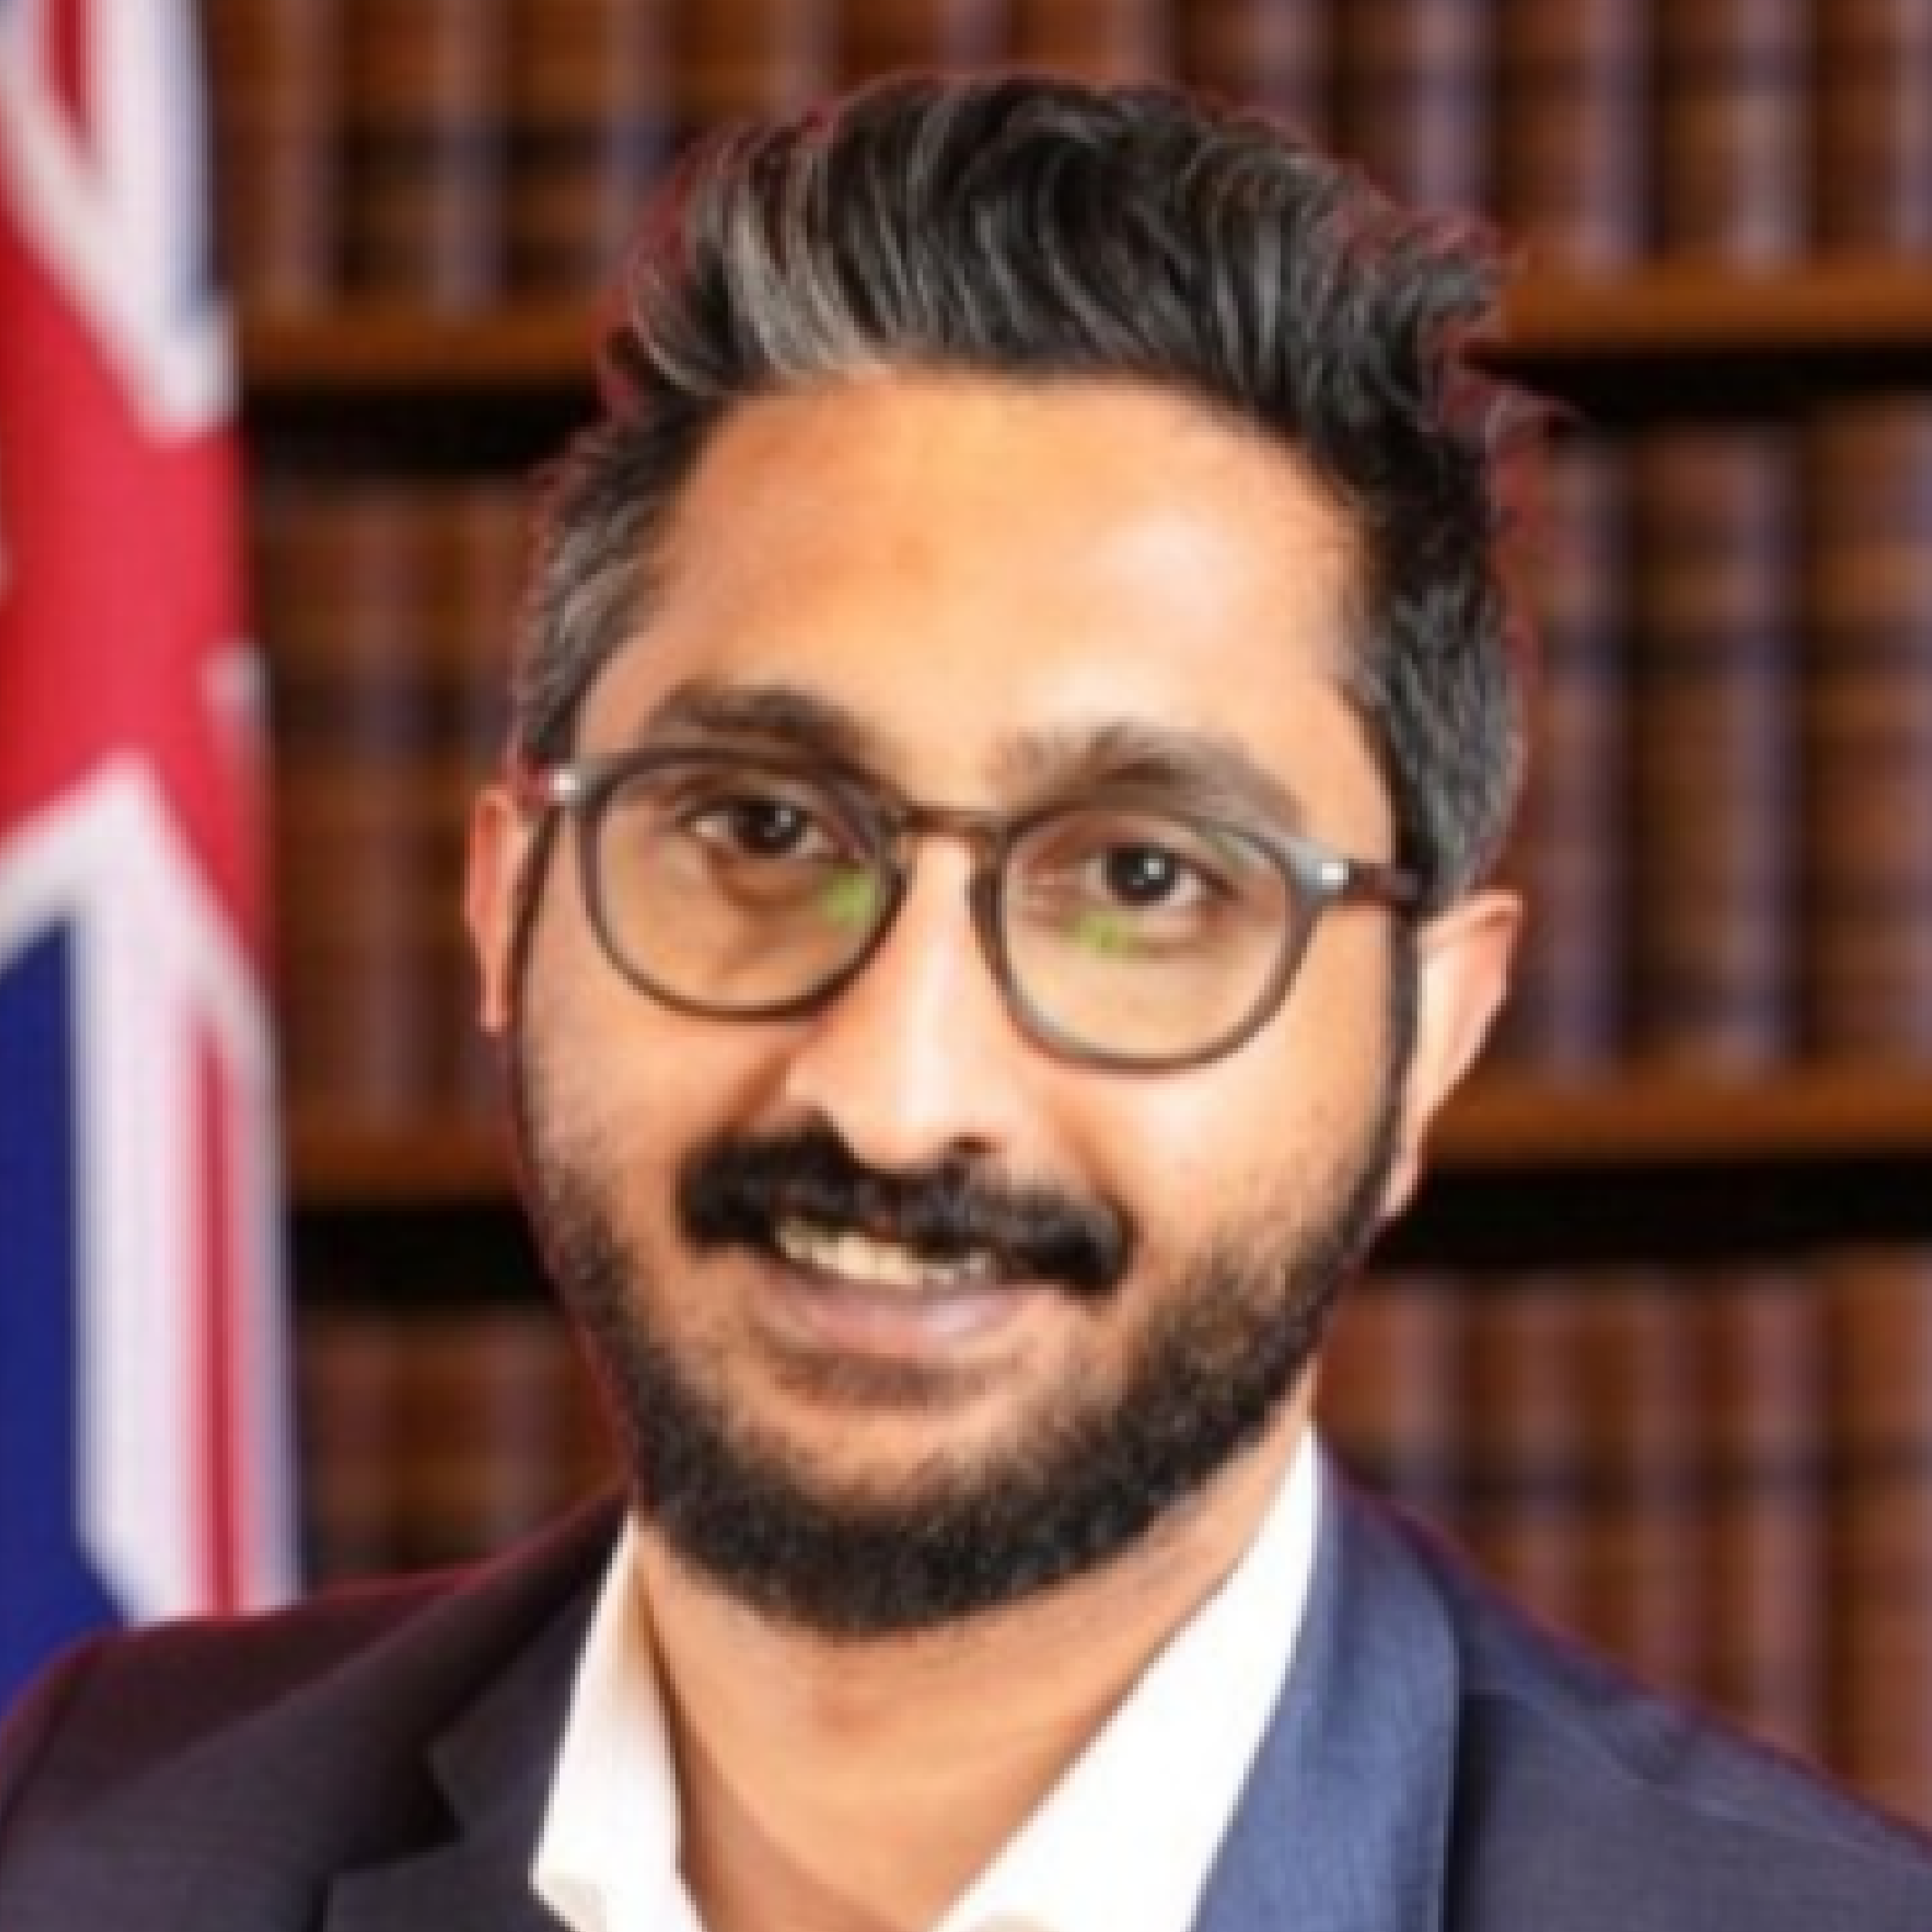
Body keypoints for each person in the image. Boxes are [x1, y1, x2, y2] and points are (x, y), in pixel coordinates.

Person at [2, 70, 1930, 1932]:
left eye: (1142, 876)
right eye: (760, 823)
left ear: (1427, 1034)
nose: (896, 1090)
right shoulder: (85, 1843)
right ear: (510, 903)